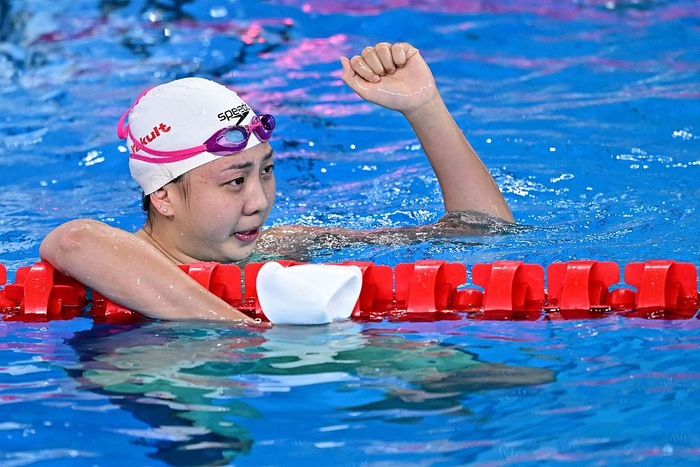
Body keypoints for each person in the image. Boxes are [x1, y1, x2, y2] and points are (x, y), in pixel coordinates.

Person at [40, 42, 514, 322]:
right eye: (234, 181)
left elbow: (482, 233)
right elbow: (73, 240)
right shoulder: (113, 262)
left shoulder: (280, 246)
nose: (259, 201)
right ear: (161, 195)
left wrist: (425, 108)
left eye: (265, 170)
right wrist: (249, 335)